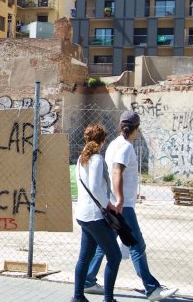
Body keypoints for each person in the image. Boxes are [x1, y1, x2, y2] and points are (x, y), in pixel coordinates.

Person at [83, 111, 178, 301]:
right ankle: (151, 288)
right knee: (136, 244)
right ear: (136, 128)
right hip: (122, 206)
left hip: (112, 204)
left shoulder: (113, 145)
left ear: (120, 126)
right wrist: (120, 199)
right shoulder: (126, 147)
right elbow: (117, 171)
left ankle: (88, 280)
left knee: (105, 245)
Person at [71, 123, 122, 302]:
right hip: (95, 216)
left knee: (84, 257)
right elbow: (94, 187)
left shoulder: (81, 158)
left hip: (82, 214)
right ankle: (108, 299)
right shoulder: (97, 159)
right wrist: (110, 205)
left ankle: (78, 297)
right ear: (102, 140)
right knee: (114, 256)